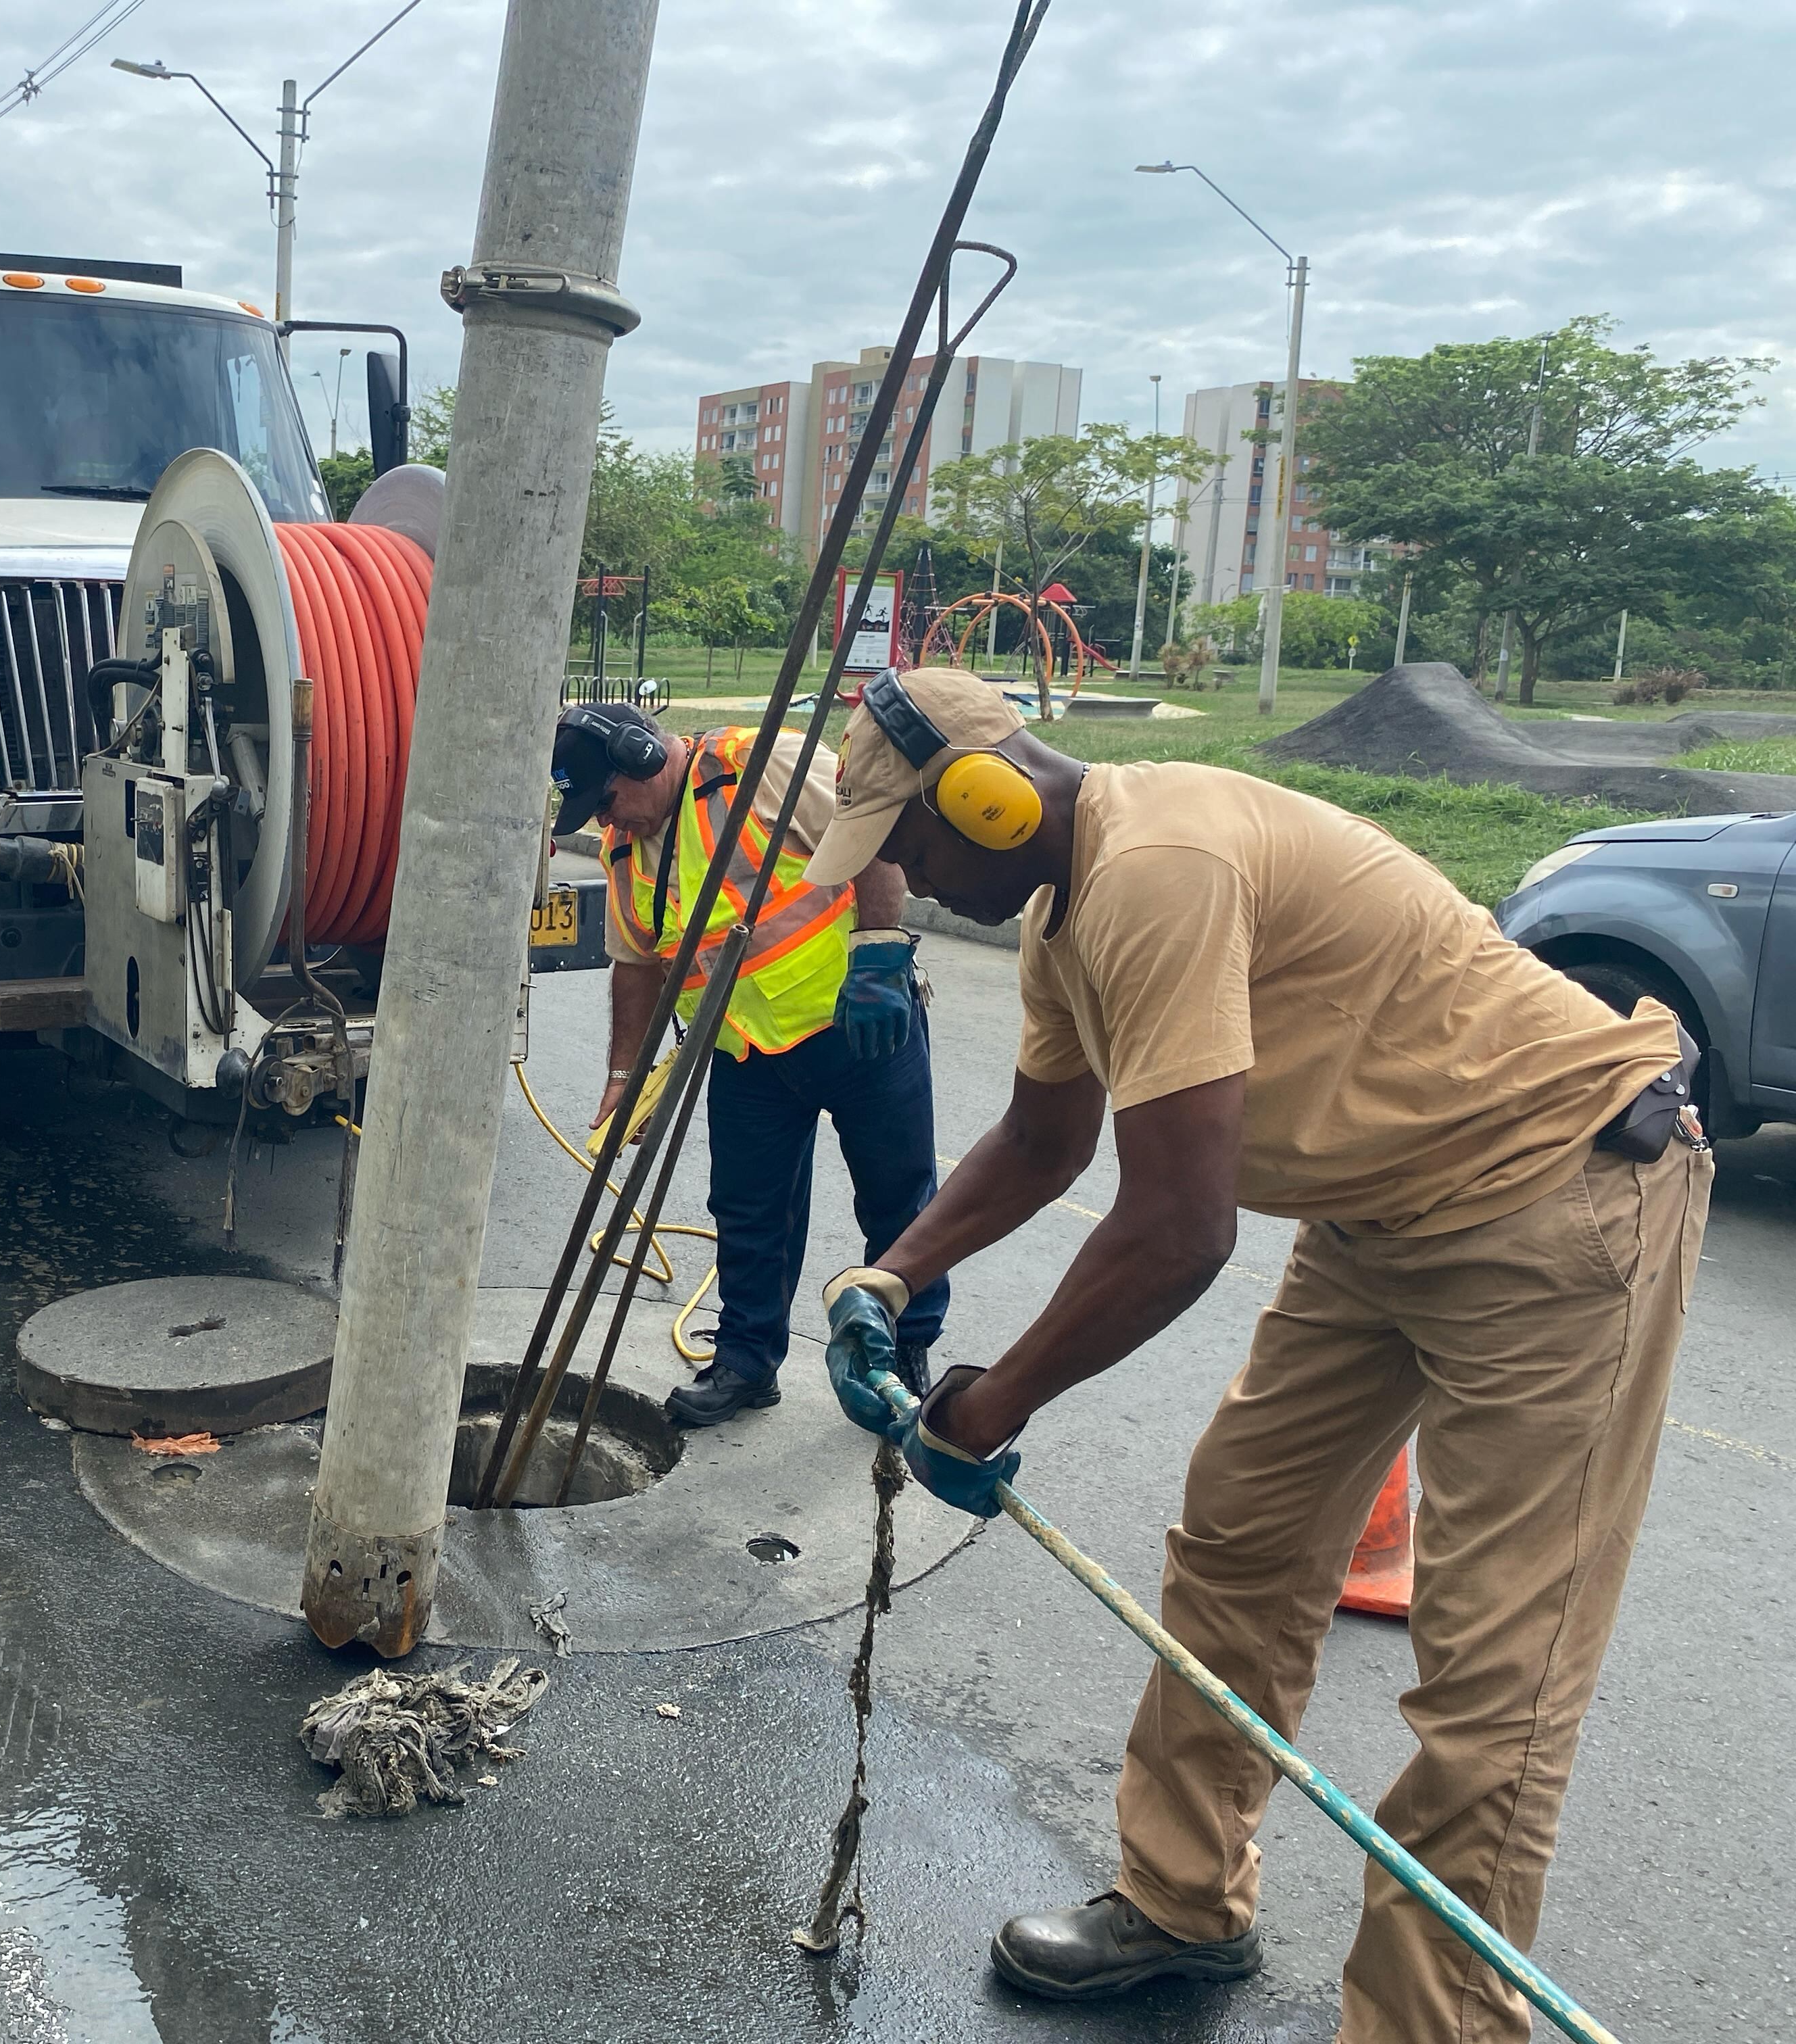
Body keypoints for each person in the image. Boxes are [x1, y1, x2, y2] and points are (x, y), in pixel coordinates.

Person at [808, 666, 1709, 2041]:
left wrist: (987, 1407)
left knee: (1494, 1674)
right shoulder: (1064, 917)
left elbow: (1178, 1231)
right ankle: (1179, 1899)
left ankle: (1428, 2029)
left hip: (1554, 1201)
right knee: (1242, 1544)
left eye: (911, 845)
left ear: (987, 799)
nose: (910, 880)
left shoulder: (1161, 867)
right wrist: (889, 1271)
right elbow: (1043, 1143)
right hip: (1374, 1215)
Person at [549, 700, 946, 1427]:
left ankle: (906, 1349)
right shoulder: (625, 853)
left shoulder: (759, 767)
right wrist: (623, 1079)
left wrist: (881, 954)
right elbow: (635, 965)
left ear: (642, 756)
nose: (606, 821)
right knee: (748, 1212)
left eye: (606, 801)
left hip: (858, 1023)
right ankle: (747, 1360)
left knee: (898, 1199)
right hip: (748, 1054)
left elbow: (874, 834)